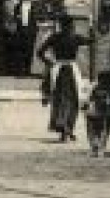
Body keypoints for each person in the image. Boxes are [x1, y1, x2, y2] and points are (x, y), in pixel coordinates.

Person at [37, 14, 89, 142]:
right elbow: (91, 41)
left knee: (59, 100)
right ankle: (68, 128)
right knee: (74, 100)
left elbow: (40, 52)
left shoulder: (54, 37)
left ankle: (64, 128)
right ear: (71, 26)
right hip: (71, 70)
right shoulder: (75, 38)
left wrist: (49, 62)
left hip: (58, 69)